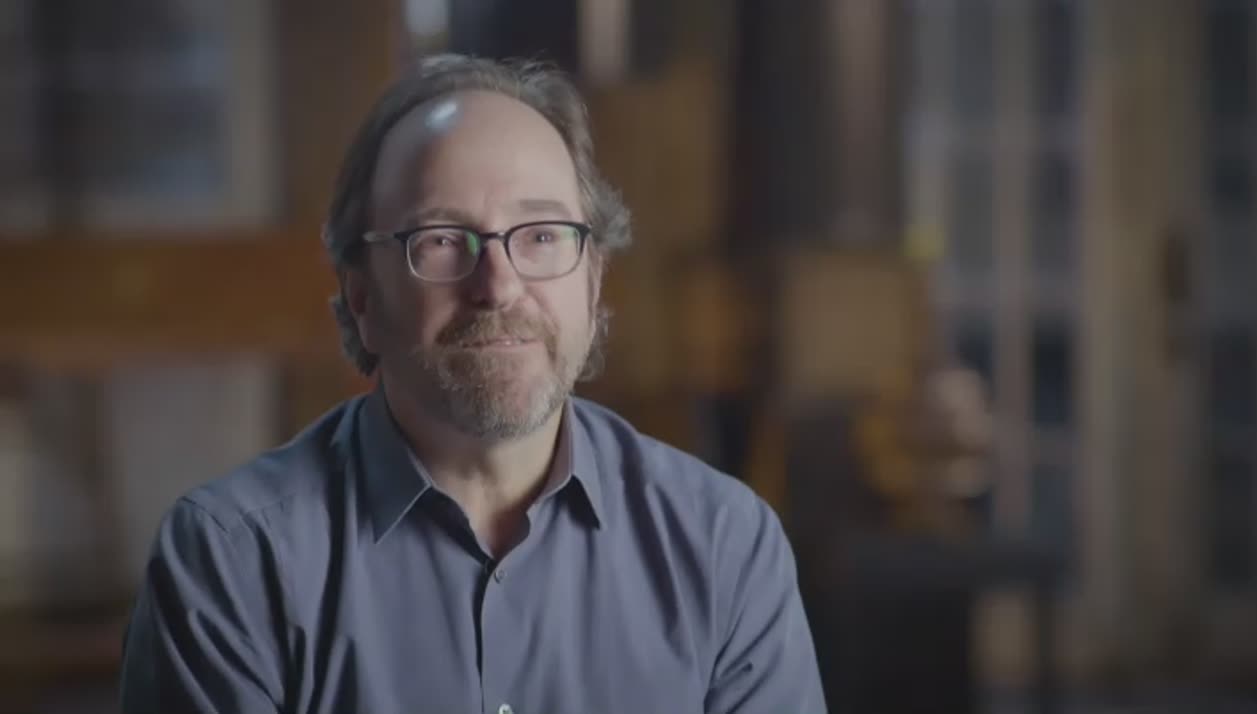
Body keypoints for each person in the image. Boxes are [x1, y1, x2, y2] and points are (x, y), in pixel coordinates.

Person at [119, 54, 826, 714]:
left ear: (593, 281)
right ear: (362, 298)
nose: (498, 286)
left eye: (541, 234)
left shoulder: (724, 546)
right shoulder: (232, 562)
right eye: (441, 240)